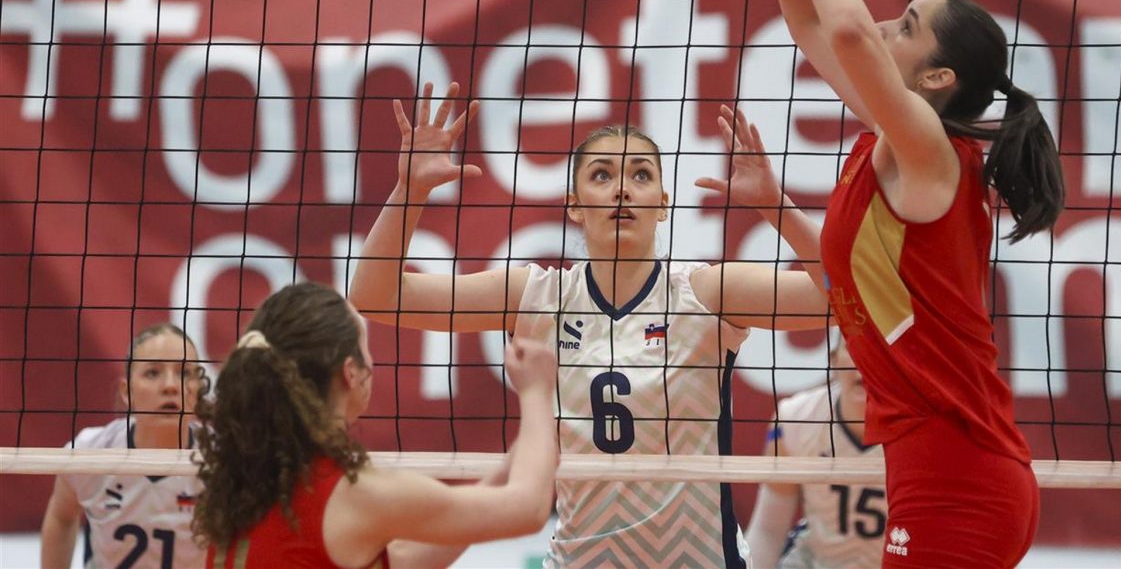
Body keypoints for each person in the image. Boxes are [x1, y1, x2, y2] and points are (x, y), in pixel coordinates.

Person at [347, 82, 831, 568]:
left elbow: (840, 298)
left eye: (641, 175)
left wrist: (775, 206)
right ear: (574, 205)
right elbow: (376, 295)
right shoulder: (536, 296)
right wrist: (409, 192)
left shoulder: (706, 293)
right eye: (602, 175)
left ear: (663, 204)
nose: (622, 188)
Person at [759, 0, 1064, 567]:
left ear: (936, 78)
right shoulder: (894, 141)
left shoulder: (929, 153)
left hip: (960, 482)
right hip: (939, 471)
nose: (884, 29)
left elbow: (849, 33)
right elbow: (811, 24)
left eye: (906, 26)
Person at [192, 281, 557, 569]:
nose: (372, 361)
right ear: (351, 372)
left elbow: (400, 559)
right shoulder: (356, 494)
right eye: (366, 346)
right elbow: (526, 509)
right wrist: (538, 391)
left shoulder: (245, 483)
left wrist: (506, 470)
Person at [40, 323, 206, 569]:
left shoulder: (222, 459)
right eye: (153, 373)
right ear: (126, 391)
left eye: (184, 373)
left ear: (199, 388)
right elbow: (61, 517)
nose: (171, 386)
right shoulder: (91, 452)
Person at [746, 342, 886, 569]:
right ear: (834, 359)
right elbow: (768, 530)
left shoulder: (925, 429)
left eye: (877, 349)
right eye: (854, 347)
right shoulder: (796, 419)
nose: (865, 360)